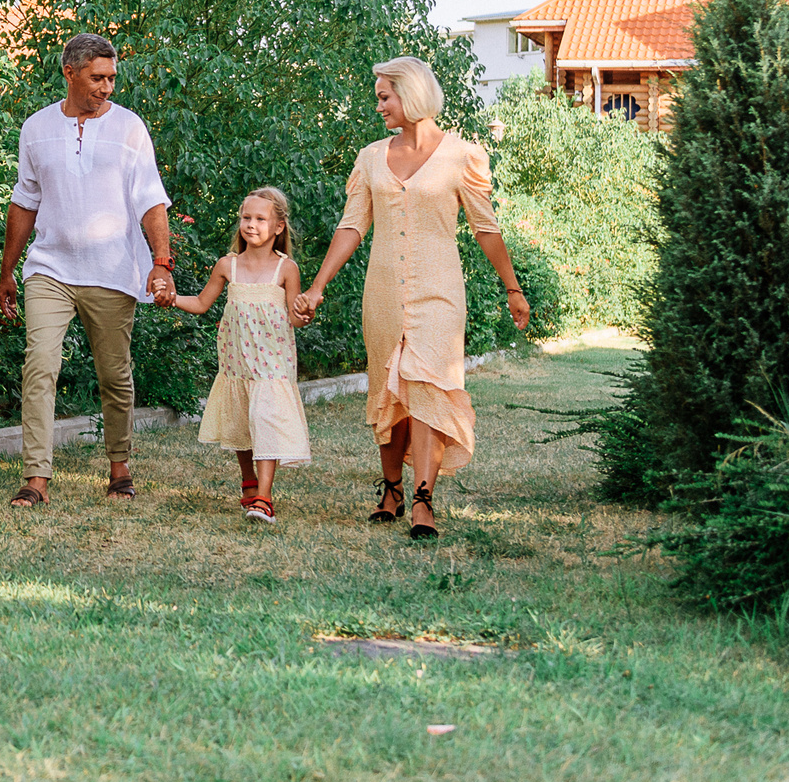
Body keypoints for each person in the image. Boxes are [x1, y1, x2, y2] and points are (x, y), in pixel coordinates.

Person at [297, 56, 529, 540]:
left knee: (429, 386)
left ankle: (423, 500)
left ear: (412, 94)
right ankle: (391, 489)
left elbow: (485, 228)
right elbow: (352, 226)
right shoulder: (370, 158)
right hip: (382, 290)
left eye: (385, 96)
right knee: (389, 389)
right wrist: (317, 287)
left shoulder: (463, 156)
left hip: (440, 290)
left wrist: (513, 287)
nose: (379, 105)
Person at [0, 33, 176, 508]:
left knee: (115, 375)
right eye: (98, 78)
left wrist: (161, 262)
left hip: (113, 269)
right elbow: (25, 200)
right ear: (70, 73)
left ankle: (120, 468)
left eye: (112, 78)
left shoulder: (130, 128)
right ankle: (36, 478)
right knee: (40, 364)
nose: (107, 87)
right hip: (50, 267)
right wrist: (7, 271)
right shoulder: (36, 128)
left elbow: (150, 199)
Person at [179, 188, 314, 521]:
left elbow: (296, 317)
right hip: (237, 362)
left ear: (278, 227)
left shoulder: (286, 269)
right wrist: (170, 299)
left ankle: (264, 498)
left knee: (266, 419)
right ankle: (249, 482)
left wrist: (305, 312)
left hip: (272, 365)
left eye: (260, 219)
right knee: (242, 421)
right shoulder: (228, 265)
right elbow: (200, 303)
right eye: (246, 218)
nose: (251, 225)